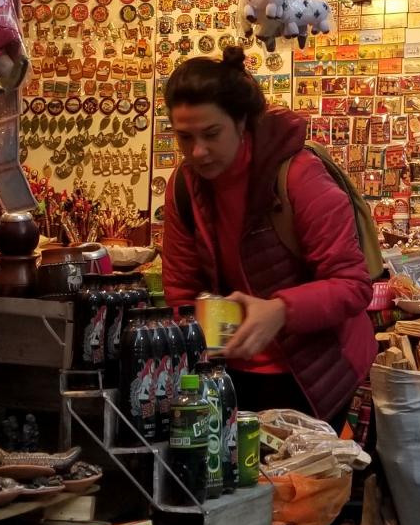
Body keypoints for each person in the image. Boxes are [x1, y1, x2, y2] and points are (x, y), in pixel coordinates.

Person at [161, 48, 376, 425]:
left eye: (211, 134)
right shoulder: (184, 187)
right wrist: (200, 345)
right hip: (229, 373)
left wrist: (279, 310)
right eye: (184, 137)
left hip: (315, 375)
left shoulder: (299, 176)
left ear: (241, 121)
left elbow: (352, 285)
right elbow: (181, 290)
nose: (198, 151)